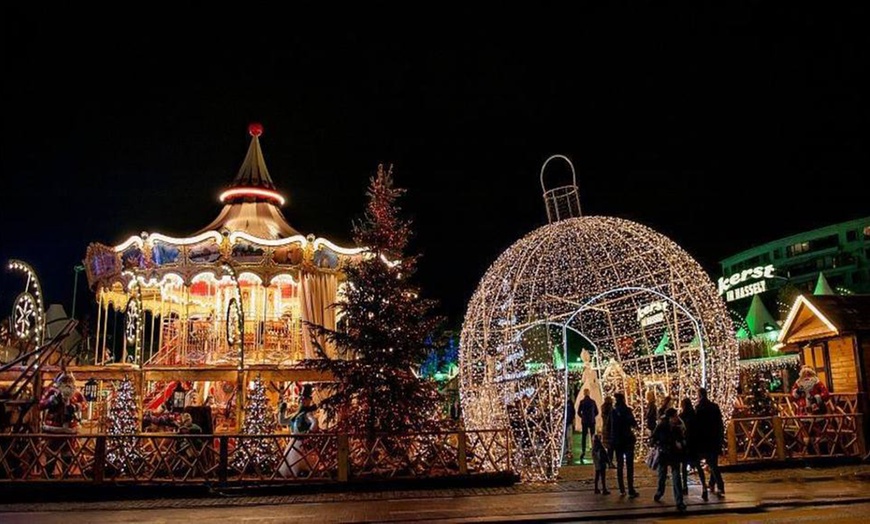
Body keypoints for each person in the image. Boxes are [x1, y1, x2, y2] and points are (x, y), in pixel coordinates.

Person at [38, 371, 86, 477]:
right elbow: (41, 404)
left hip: (69, 428)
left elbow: (84, 404)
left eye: (69, 381)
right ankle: (48, 476)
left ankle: (65, 475)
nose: (67, 383)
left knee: (67, 454)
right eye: (65, 381)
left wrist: (75, 407)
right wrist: (51, 401)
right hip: (53, 428)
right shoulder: (52, 391)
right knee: (51, 453)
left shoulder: (76, 393)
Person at [278, 384, 319, 478]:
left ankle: (301, 472)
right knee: (291, 458)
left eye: (305, 399)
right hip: (294, 440)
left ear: (309, 400)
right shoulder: (296, 414)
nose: (302, 401)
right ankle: (294, 473)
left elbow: (314, 422)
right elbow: (283, 422)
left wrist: (310, 432)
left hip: (301, 440)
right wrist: (282, 411)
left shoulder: (307, 414)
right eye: (301, 399)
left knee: (300, 458)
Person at [652, 407, 687, 511]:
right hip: (664, 453)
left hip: (674, 454)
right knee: (662, 475)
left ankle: (679, 501)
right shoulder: (662, 426)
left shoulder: (677, 426)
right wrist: (664, 443)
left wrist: (681, 443)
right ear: (670, 417)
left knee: (676, 477)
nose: (677, 418)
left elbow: (681, 438)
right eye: (675, 416)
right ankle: (660, 492)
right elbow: (654, 438)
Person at [608, 392, 639, 498]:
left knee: (620, 465)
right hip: (627, 440)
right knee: (630, 466)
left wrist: (611, 439)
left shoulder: (613, 412)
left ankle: (622, 489)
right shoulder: (627, 410)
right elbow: (633, 423)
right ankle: (630, 488)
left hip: (617, 442)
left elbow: (609, 426)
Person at [695, 387, 725, 496]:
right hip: (715, 438)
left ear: (700, 395)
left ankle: (720, 486)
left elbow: (698, 426)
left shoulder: (699, 408)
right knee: (713, 462)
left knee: (712, 464)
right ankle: (712, 483)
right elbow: (719, 423)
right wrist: (721, 437)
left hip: (706, 440)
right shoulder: (714, 407)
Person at [679, 397, 708, 500]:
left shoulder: (681, 417)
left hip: (686, 445)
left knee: (683, 466)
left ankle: (684, 486)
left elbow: (680, 431)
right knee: (698, 467)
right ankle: (704, 487)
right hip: (695, 445)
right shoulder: (695, 415)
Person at [577, 388, 599, 462]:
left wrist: (582, 416)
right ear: (589, 393)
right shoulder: (592, 402)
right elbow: (597, 412)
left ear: (584, 393)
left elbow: (578, 412)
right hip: (592, 420)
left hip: (585, 421)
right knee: (593, 435)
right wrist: (593, 416)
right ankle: (594, 450)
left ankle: (583, 451)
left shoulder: (582, 402)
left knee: (584, 436)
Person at [564, 388, 576, 465]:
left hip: (568, 422)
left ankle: (569, 450)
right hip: (566, 423)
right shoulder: (566, 403)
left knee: (569, 437)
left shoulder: (570, 403)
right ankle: (566, 450)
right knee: (566, 437)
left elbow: (573, 412)